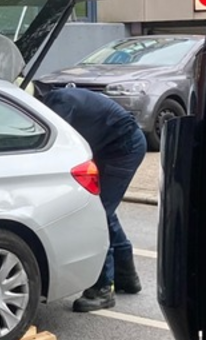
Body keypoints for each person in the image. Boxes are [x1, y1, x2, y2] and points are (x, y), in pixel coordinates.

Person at [35, 83, 146, 312]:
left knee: (96, 213)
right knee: (104, 209)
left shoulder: (59, 105)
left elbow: (55, 146)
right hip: (113, 144)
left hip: (123, 147)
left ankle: (103, 288)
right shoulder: (60, 98)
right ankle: (126, 276)